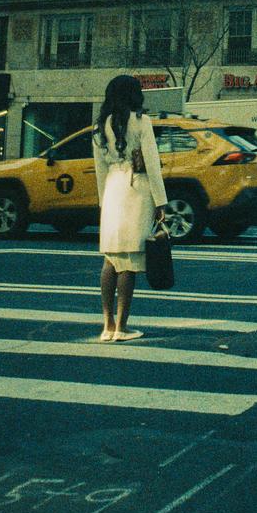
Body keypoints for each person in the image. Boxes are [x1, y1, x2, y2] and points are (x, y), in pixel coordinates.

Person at [92, 75, 168, 343]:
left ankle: (107, 325)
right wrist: (161, 201)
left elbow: (99, 168)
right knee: (130, 261)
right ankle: (122, 327)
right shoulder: (141, 121)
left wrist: (103, 202)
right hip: (137, 188)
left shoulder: (99, 126)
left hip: (112, 188)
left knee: (110, 259)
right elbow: (152, 163)